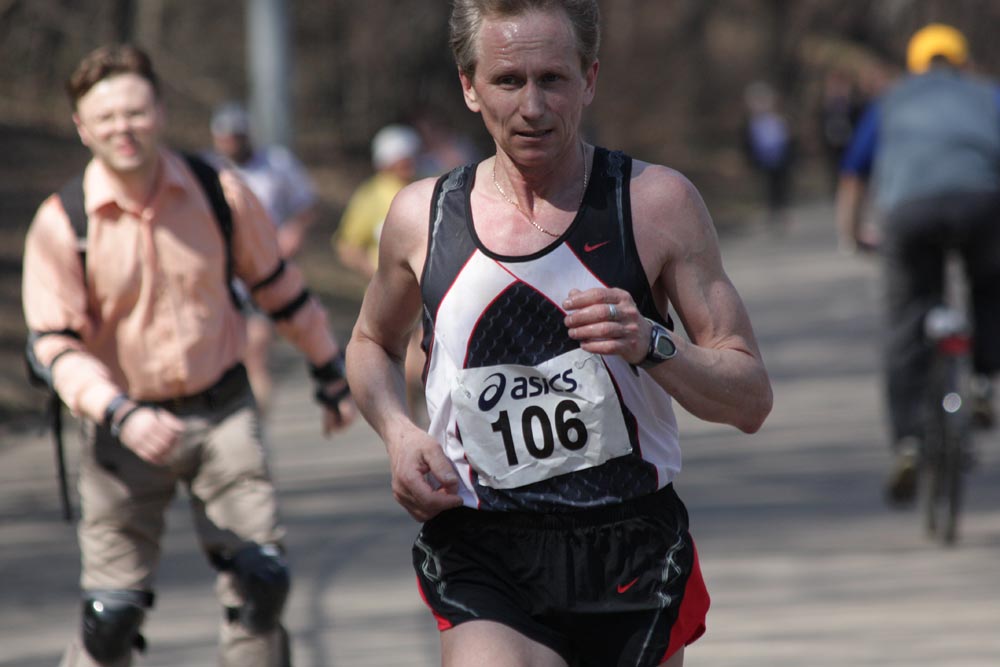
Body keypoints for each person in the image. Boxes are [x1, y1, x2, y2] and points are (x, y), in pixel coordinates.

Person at [345, 2, 772, 666]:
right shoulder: (421, 217)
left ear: (589, 79)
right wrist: (399, 434)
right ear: (469, 86)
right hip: (483, 542)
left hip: (629, 545)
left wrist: (653, 343)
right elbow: (371, 342)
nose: (533, 107)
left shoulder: (655, 204)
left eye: (552, 79)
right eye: (508, 81)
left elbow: (749, 398)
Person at [21, 44, 355, 667]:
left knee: (261, 583)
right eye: (106, 117)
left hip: (222, 411)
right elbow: (53, 346)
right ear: (82, 127)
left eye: (136, 111)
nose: (123, 128)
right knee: (110, 618)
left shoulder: (216, 191)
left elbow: (277, 286)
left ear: (161, 112)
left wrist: (328, 372)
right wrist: (120, 412)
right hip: (120, 428)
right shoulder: (61, 224)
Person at [836, 23, 1000, 505]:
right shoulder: (987, 94)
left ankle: (908, 440)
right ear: (961, 60)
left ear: (914, 63)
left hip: (910, 213)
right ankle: (983, 381)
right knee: (989, 285)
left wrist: (852, 235)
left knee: (907, 319)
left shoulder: (891, 101)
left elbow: (853, 173)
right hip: (982, 205)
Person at [208, 101, 321, 415]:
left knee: (255, 351)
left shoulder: (276, 164)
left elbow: (307, 204)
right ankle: (239, 417)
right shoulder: (208, 169)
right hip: (221, 275)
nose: (231, 143)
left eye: (237, 136)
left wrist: (294, 231)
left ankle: (257, 424)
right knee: (229, 357)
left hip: (263, 270)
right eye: (225, 137)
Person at [333, 123, 428, 423]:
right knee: (407, 364)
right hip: (394, 293)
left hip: (429, 288)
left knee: (425, 361)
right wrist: (380, 273)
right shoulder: (371, 196)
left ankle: (425, 420)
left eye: (411, 156)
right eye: (402, 157)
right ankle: (411, 425)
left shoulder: (424, 188)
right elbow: (347, 246)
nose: (408, 162)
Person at [741, 80, 795, 228]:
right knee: (767, 187)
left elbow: (786, 140)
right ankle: (770, 213)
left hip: (780, 159)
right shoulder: (753, 123)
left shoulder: (778, 119)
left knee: (781, 186)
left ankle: (781, 212)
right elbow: (749, 142)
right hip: (763, 160)